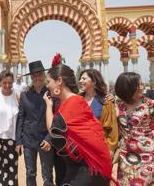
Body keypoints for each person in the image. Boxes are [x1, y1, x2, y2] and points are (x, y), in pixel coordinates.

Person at [43, 54, 113, 185]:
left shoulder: (73, 102)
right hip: (77, 165)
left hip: (88, 167)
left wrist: (48, 106)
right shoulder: (67, 102)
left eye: (49, 82)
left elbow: (53, 130)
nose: (48, 86)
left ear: (59, 81)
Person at [114, 72, 154, 186]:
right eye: (138, 85)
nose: (142, 87)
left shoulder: (150, 105)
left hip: (151, 157)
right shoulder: (117, 105)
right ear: (127, 88)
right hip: (126, 158)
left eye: (141, 84)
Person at [16, 60, 55, 186]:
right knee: (30, 173)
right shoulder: (25, 95)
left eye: (39, 74)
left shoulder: (51, 94)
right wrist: (19, 141)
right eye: (34, 75)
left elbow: (56, 119)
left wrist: (49, 138)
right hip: (29, 140)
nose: (37, 78)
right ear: (31, 78)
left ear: (43, 75)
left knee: (47, 175)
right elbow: (20, 119)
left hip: (45, 140)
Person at [0, 70, 20, 186]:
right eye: (5, 83)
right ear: (0, 82)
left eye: (10, 83)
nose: (7, 86)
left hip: (12, 139)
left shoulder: (17, 97)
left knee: (12, 168)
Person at [79, 69, 118, 153]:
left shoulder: (106, 102)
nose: (80, 81)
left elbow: (113, 129)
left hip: (99, 149)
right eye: (80, 78)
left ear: (94, 82)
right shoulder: (77, 100)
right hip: (80, 148)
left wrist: (110, 149)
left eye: (84, 79)